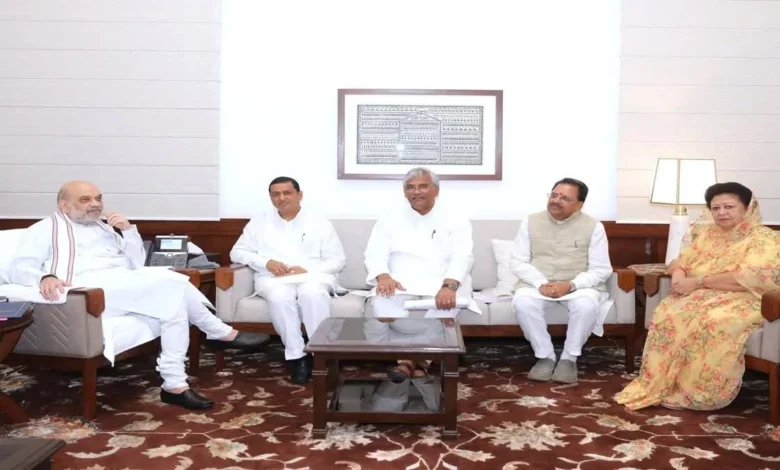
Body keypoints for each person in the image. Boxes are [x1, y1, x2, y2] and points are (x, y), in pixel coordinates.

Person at [10, 181, 269, 410]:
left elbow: (136, 262)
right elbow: (19, 268)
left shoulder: (103, 227)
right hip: (87, 292)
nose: (95, 204)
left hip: (122, 284)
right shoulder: (44, 229)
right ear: (64, 205)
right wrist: (45, 277)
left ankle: (175, 384)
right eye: (86, 199)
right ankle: (216, 332)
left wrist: (128, 231)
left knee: (173, 299)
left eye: (98, 198)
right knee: (172, 286)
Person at [616, 182, 779, 411]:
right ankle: (667, 383)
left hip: (747, 298)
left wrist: (698, 282)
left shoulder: (765, 239)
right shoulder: (707, 235)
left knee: (713, 321)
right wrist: (678, 278)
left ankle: (699, 391)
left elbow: (751, 278)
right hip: (701, 296)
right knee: (669, 311)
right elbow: (680, 261)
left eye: (729, 207)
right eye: (716, 208)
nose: (721, 213)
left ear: (747, 208)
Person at [230, 176, 346, 384]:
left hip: (313, 276)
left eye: (287, 193)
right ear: (270, 198)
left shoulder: (319, 222)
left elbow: (337, 260)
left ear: (299, 195)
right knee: (279, 298)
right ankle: (297, 356)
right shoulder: (259, 222)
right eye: (276, 194)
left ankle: (321, 354)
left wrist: (308, 269)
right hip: (273, 278)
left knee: (313, 295)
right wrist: (266, 263)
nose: (281, 198)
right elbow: (237, 253)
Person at [364, 167, 473, 382]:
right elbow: (374, 252)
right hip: (400, 279)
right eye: (410, 187)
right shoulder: (390, 216)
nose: (416, 192)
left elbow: (463, 255)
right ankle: (420, 361)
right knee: (380, 304)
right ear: (404, 192)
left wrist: (449, 286)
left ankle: (407, 362)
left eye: (423, 186)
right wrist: (384, 276)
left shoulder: (455, 216)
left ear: (436, 190)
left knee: (441, 307)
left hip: (443, 279)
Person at [510, 178, 612, 385]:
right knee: (523, 303)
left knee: (585, 305)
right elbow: (518, 261)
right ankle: (545, 356)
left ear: (579, 205)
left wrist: (571, 285)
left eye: (565, 198)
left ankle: (569, 359)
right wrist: (540, 283)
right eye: (554, 195)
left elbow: (601, 269)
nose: (556, 201)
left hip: (579, 286)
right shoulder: (530, 221)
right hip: (537, 284)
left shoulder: (594, 227)